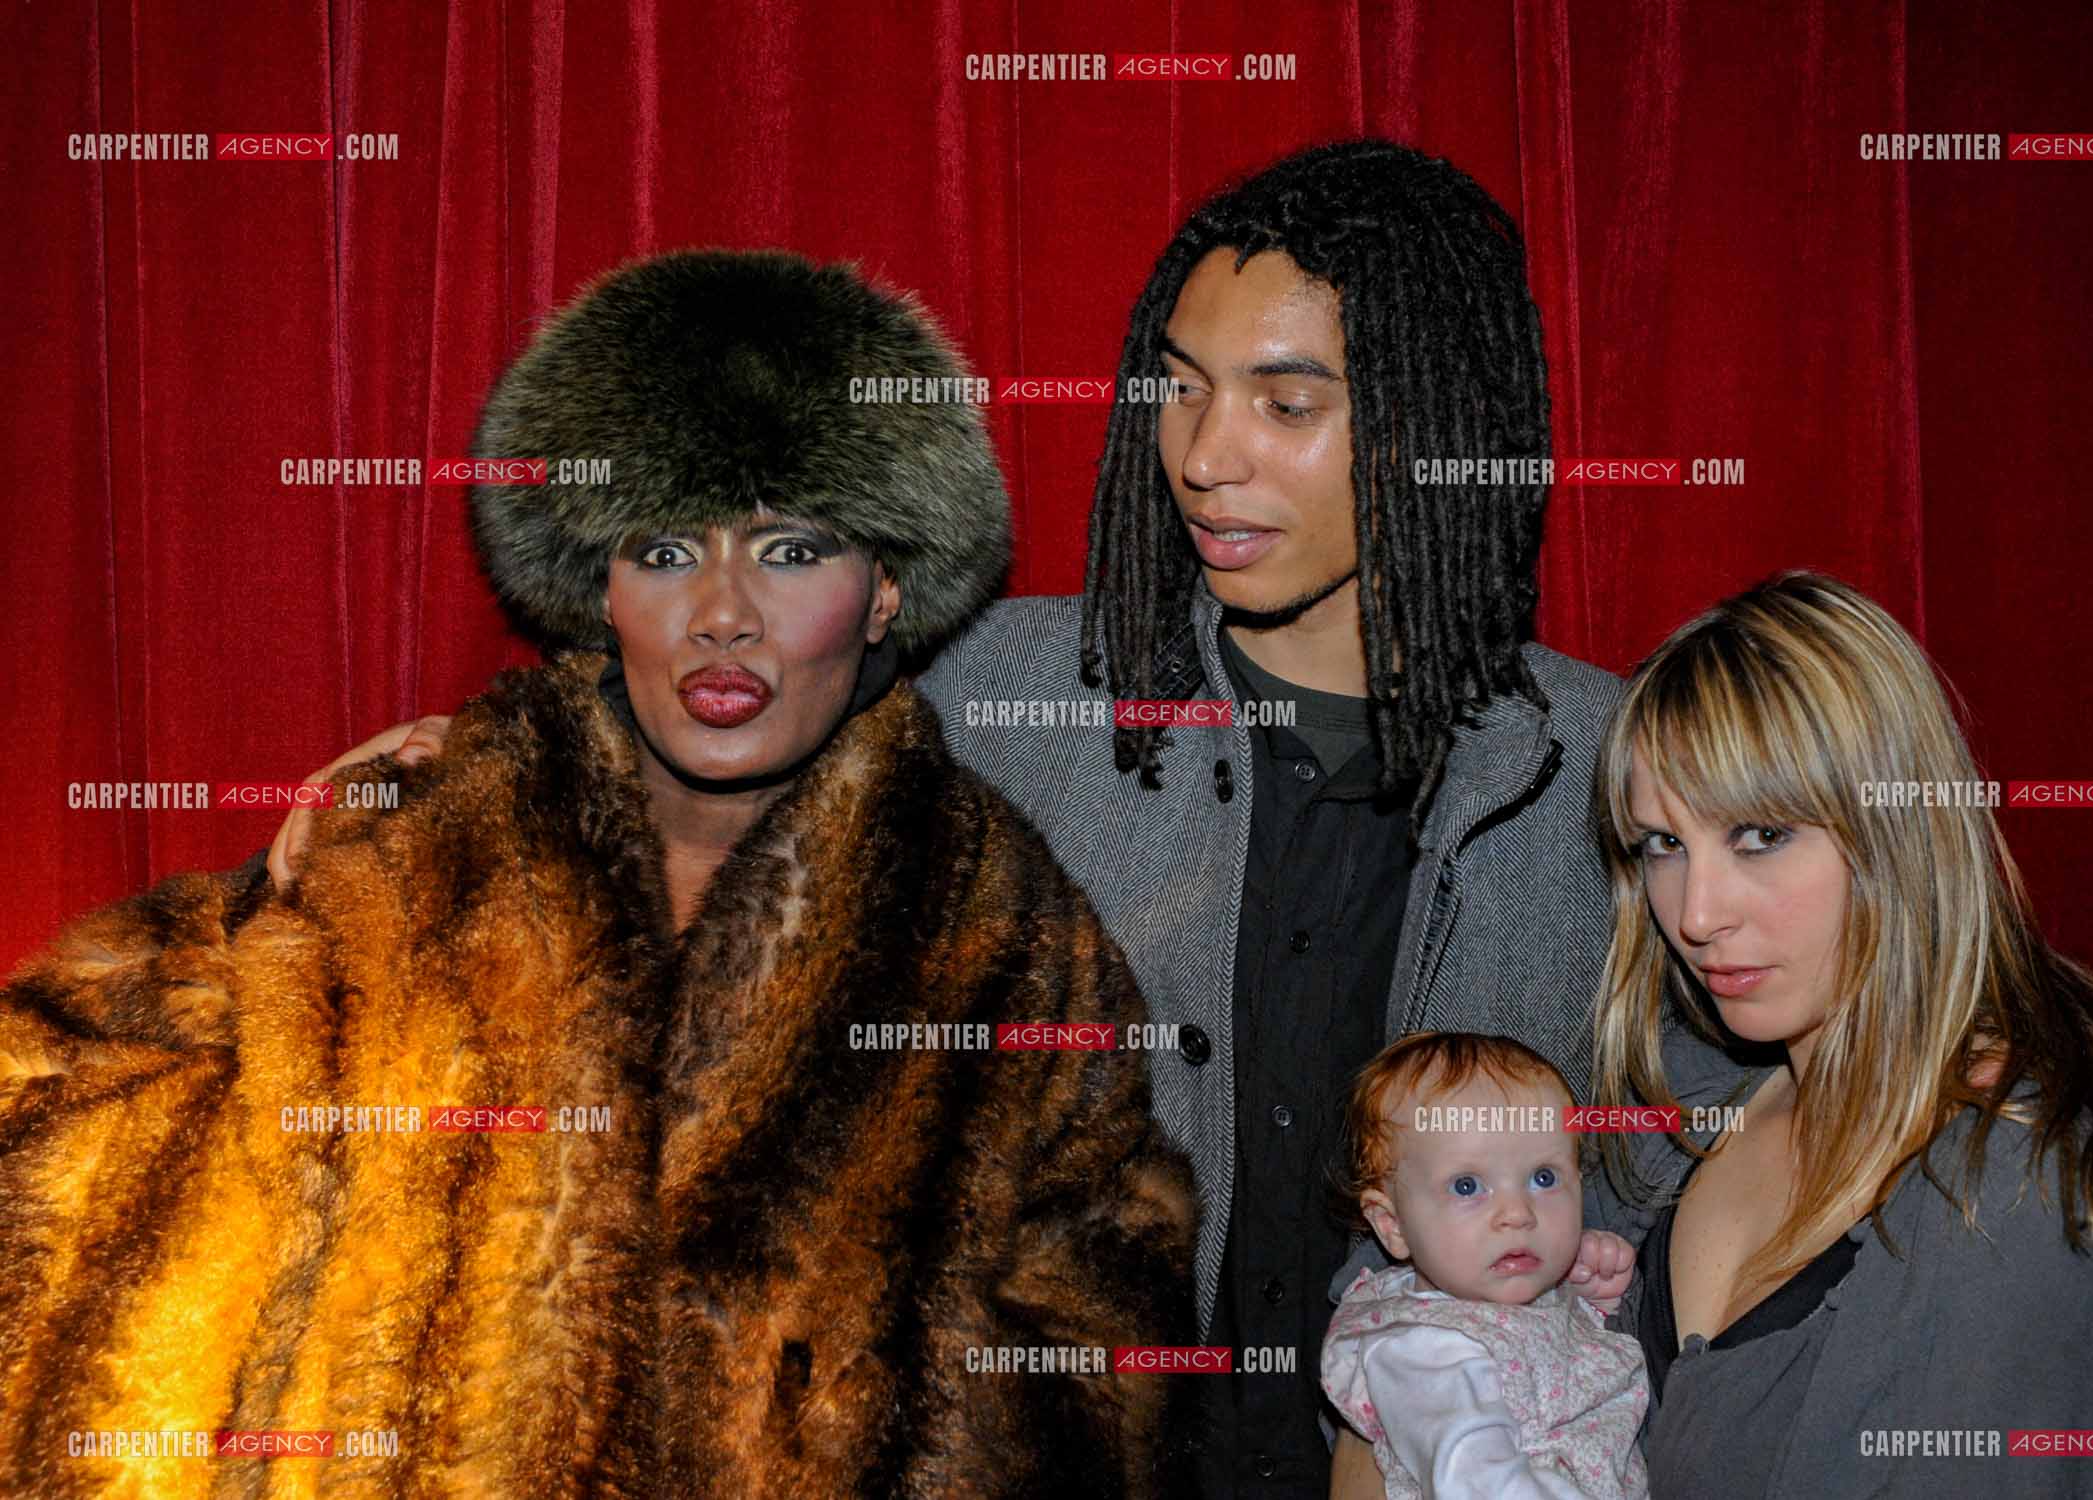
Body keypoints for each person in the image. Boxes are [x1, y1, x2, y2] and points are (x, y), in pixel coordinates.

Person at [262, 141, 2093, 1498]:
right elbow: (725, 708)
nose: (1202, 453)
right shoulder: (1023, 688)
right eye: (1180, 388)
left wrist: (2075, 1040)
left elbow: (1847, 951)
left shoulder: (1610, 769)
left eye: (1286, 398)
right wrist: (469, 770)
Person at [0, 250, 1199, 1497]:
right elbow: (56, 1092)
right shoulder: (414, 850)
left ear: (886, 589)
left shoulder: (999, 937)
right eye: (667, 548)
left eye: (790, 552)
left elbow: (1106, 1298)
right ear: (598, 585)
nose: (721, 612)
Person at [1587, 572, 2093, 1497]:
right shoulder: (1682, 1088)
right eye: (1662, 845)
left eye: (1759, 834)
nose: (1695, 913)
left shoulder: (2012, 1191)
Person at [1321, 1032, 1647, 1500]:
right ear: (1392, 1226)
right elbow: (1477, 1481)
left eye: (1543, 1177)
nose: (1518, 1213)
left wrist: (1584, 1300)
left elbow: (1547, 1362)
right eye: (1468, 1187)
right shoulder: (1423, 1352)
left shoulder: (1489, 1295)